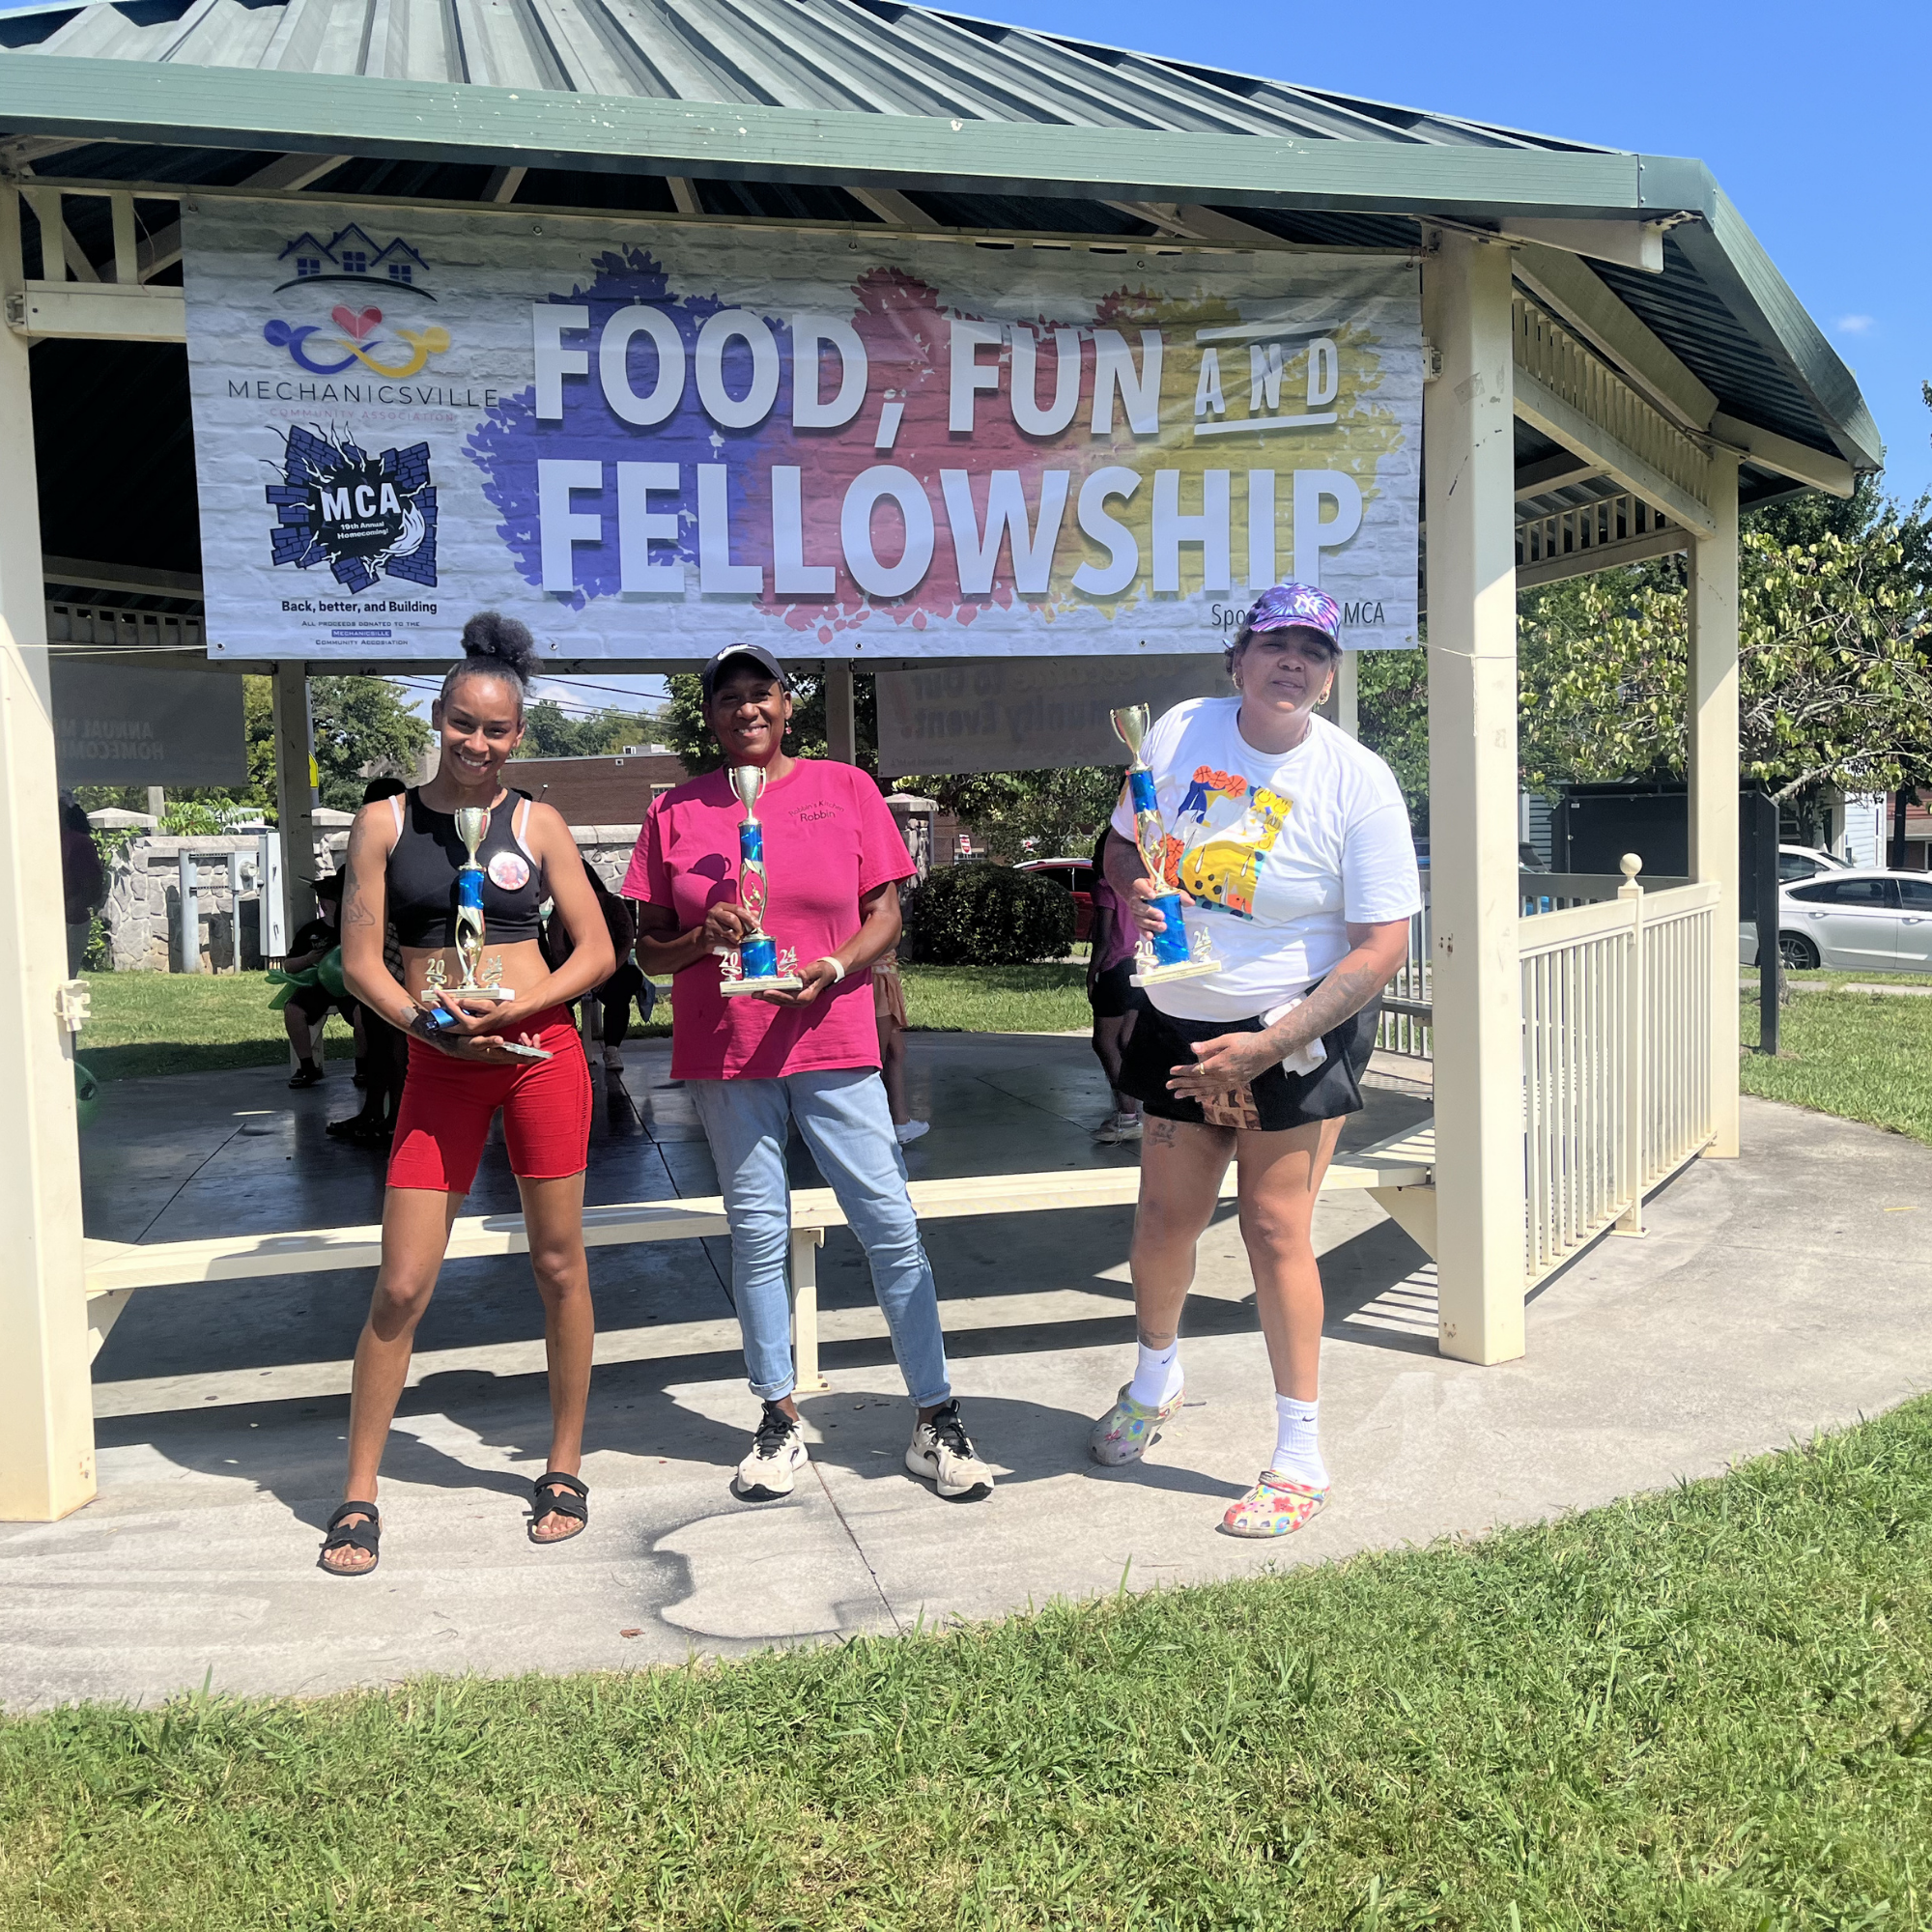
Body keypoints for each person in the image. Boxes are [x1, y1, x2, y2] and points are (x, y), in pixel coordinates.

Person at [1091, 583, 1419, 1539]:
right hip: (1176, 1019)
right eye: (1275, 643)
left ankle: (1299, 1453)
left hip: (1291, 1027)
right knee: (1162, 1221)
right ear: (1236, 658)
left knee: (1274, 1230)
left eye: (1313, 650)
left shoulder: (1356, 780)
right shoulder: (1177, 731)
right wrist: (1138, 885)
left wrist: (1269, 1043)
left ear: (1328, 673)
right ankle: (1154, 1380)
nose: (1293, 662)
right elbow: (1119, 850)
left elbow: (1379, 945)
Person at [629, 642, 993, 1504]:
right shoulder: (675, 812)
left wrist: (832, 969)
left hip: (831, 1039)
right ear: (709, 715)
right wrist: (700, 938)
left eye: (763, 695)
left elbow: (885, 917)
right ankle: (778, 1418)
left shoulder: (844, 789)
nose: (747, 710)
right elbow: (646, 952)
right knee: (756, 1235)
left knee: (890, 1227)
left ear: (787, 706)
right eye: (729, 699)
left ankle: (934, 1416)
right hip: (727, 1049)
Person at [318, 614, 615, 1577]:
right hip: (441, 1059)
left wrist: (515, 1009)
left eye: (495, 730)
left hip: (537, 1056)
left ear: (516, 735)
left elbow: (599, 950)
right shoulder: (385, 822)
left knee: (558, 1264)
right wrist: (425, 1023)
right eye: (461, 723)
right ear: (438, 716)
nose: (476, 744)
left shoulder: (539, 823)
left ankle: (563, 1462)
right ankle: (358, 1489)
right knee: (401, 1281)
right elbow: (360, 960)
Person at [327, 778, 411, 1144]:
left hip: (393, 950)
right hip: (381, 950)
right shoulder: (375, 851)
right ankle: (378, 1111)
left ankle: (393, 1115)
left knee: (393, 1035)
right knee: (382, 1035)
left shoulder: (405, 852)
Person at [1084, 825, 1142, 1144]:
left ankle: (1128, 1113)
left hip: (1115, 968)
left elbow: (1104, 937)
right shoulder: (1139, 885)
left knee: (1104, 1042)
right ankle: (1135, 1108)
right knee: (1126, 1042)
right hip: (1140, 966)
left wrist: (1092, 973)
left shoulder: (1105, 887)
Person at [279, 874, 354, 1088]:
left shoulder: (353, 928)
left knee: (363, 1014)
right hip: (317, 984)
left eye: (330, 899)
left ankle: (364, 1067)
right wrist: (309, 959)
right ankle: (307, 1066)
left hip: (349, 985)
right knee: (293, 1010)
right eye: (322, 898)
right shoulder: (311, 930)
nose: (325, 903)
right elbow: (289, 965)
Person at [873, 942, 926, 1144]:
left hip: (885, 974)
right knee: (874, 1059)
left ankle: (900, 1122)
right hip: (874, 977)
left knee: (896, 1051)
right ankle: (873, 1128)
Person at [59, 797, 104, 977]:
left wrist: (70, 909)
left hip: (71, 922)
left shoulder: (78, 842)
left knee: (61, 980)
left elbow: (93, 885)